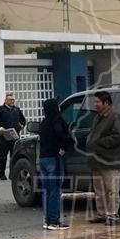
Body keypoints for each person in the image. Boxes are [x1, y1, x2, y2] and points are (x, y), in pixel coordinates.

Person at [86, 91, 120, 226]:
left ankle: (112, 215)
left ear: (106, 103)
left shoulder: (115, 117)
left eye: (97, 102)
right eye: (95, 101)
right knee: (99, 190)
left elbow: (118, 137)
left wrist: (99, 142)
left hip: (110, 161)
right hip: (97, 161)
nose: (95, 104)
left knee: (112, 190)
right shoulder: (97, 117)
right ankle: (102, 213)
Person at [38, 98, 70, 230]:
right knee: (55, 191)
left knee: (46, 190)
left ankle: (47, 221)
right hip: (53, 158)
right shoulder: (57, 120)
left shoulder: (43, 122)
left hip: (43, 159)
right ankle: (54, 221)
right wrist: (63, 147)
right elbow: (61, 133)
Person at [0, 93, 26, 181]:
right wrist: (0, 128)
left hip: (15, 136)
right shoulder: (0, 109)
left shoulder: (17, 109)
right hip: (4, 136)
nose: (12, 101)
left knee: (14, 156)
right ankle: (1, 173)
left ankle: (13, 174)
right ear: (6, 100)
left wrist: (21, 126)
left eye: (13, 100)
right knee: (3, 155)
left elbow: (23, 120)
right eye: (10, 100)